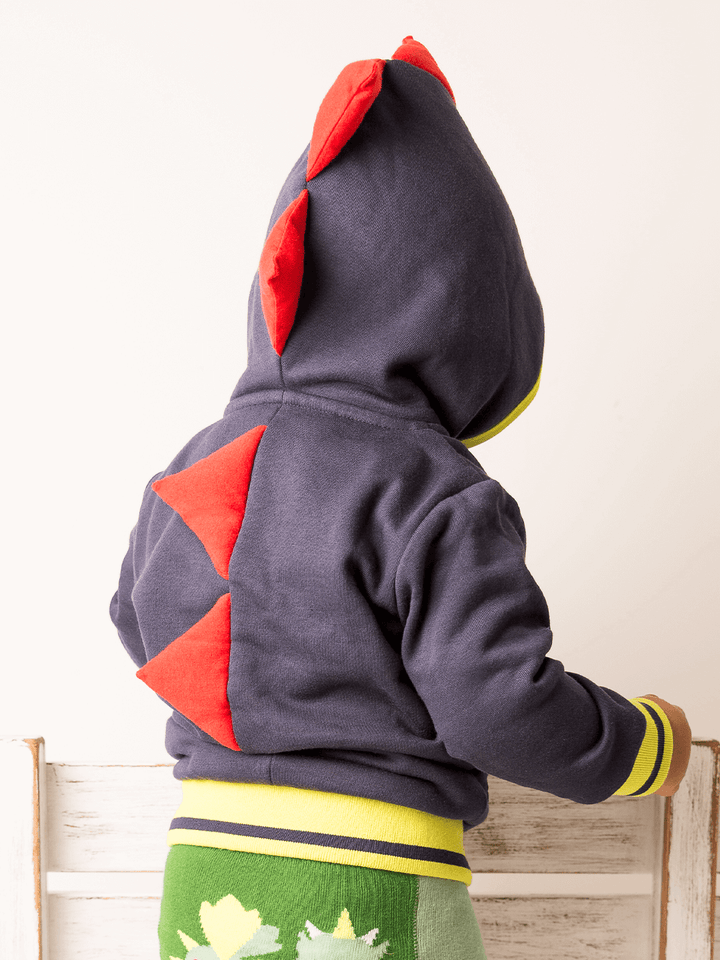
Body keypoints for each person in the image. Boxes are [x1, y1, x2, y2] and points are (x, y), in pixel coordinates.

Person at [110, 37, 691, 960]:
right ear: (471, 305)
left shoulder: (194, 463)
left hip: (202, 870)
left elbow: (138, 619)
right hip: (374, 885)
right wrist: (644, 744)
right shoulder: (433, 492)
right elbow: (498, 707)